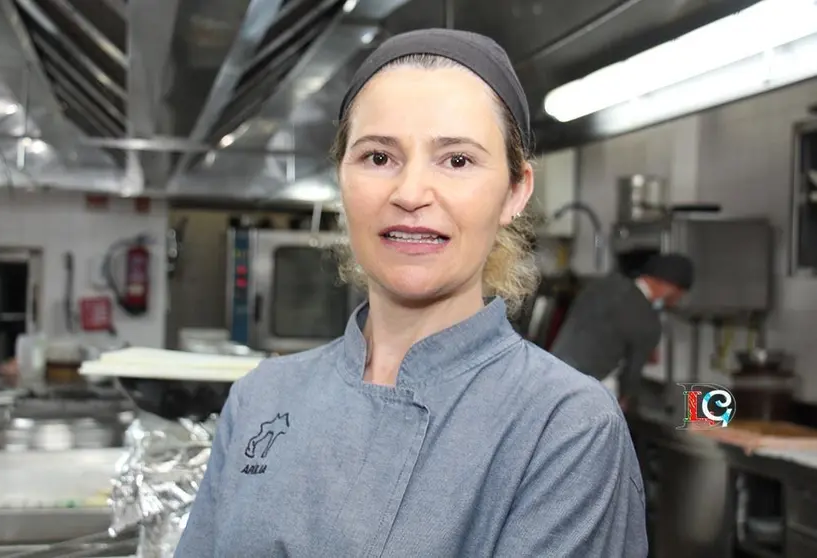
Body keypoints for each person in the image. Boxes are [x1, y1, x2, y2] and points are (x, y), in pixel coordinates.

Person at [174, 29, 647, 558]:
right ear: (342, 181)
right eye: (378, 158)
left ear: (515, 192)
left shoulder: (565, 426)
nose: (411, 194)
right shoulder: (262, 397)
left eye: (457, 160)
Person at [551, 253, 694, 413]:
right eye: (678, 294)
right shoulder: (648, 318)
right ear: (671, 287)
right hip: (586, 393)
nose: (676, 300)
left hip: (552, 374)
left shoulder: (601, 285)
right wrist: (625, 403)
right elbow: (630, 376)